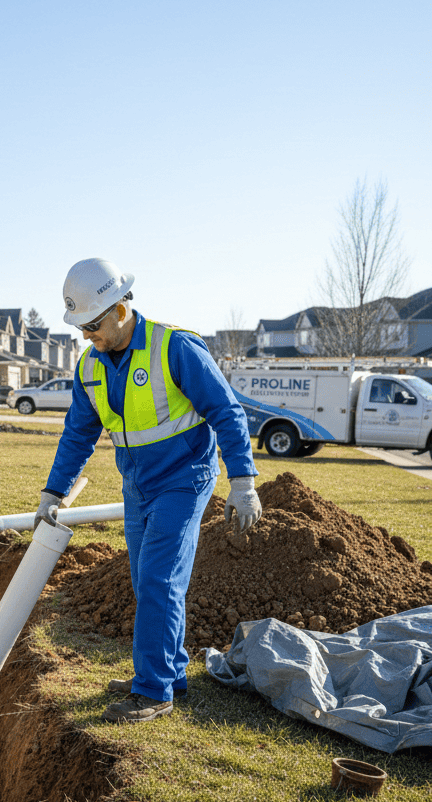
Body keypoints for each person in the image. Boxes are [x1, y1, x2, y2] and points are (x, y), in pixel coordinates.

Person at [34, 258, 262, 724]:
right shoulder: (89, 367)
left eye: (92, 325)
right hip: (137, 486)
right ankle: (169, 671)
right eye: (80, 327)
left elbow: (227, 412)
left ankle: (154, 691)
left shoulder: (175, 347)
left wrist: (243, 480)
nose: (86, 336)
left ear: (120, 309)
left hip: (184, 479)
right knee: (147, 583)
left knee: (160, 580)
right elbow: (78, 434)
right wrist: (53, 492)